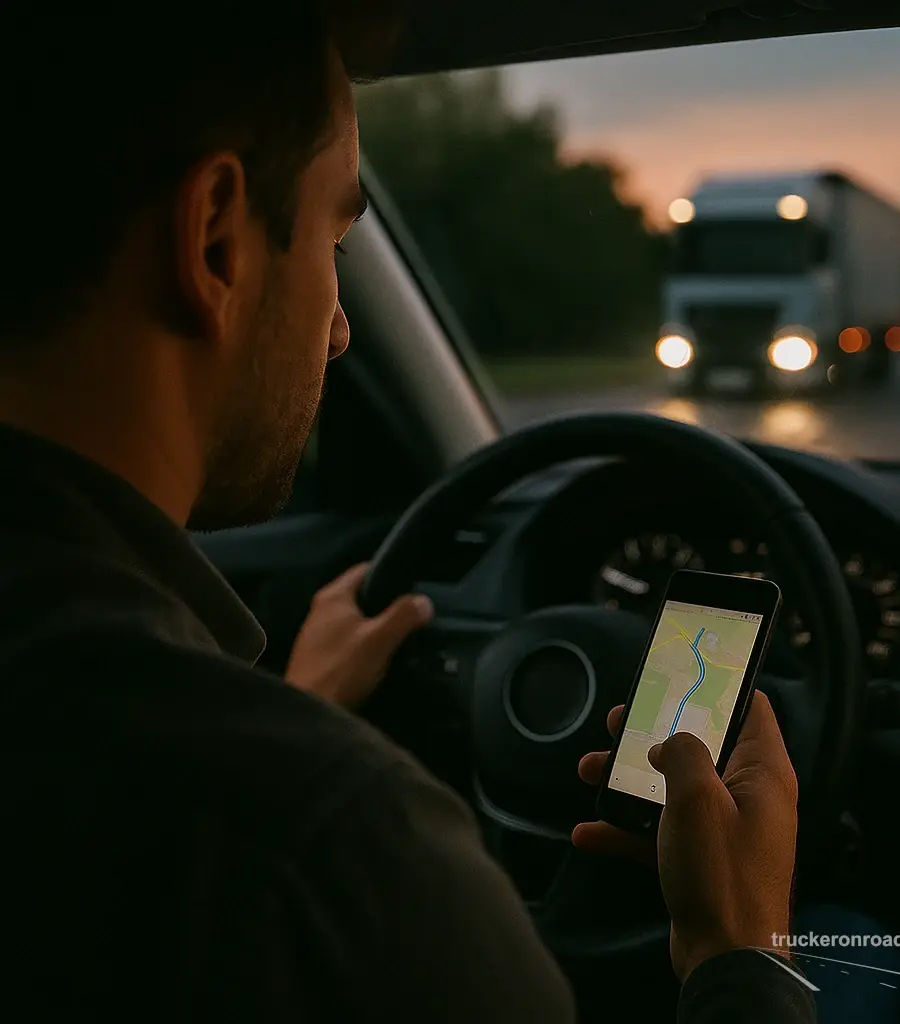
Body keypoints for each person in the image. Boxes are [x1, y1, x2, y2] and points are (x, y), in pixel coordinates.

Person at [0, 5, 812, 1022]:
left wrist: (297, 708)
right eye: (338, 240)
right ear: (212, 238)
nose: (340, 330)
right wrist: (740, 955)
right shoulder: (330, 858)